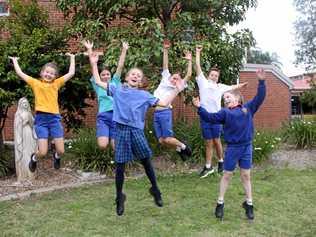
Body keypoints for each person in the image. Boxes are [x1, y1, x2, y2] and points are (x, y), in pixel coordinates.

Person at [88, 49, 185, 216]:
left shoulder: (144, 95)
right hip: (120, 130)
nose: (135, 76)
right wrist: (94, 63)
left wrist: (177, 90)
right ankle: (119, 197)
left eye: (139, 76)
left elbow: (163, 103)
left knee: (146, 161)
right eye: (133, 74)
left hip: (136, 132)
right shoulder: (116, 89)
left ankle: (155, 190)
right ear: (126, 78)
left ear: (140, 82)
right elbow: (97, 81)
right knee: (120, 165)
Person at [192, 69, 266, 220]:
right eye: (224, 98)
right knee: (227, 175)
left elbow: (260, 97)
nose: (225, 99)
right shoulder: (224, 113)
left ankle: (249, 204)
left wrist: (262, 82)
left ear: (238, 98)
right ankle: (220, 203)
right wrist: (199, 107)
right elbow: (210, 118)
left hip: (246, 147)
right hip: (233, 148)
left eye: (228, 96)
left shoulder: (248, 108)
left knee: (246, 175)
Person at [9, 53, 75, 172]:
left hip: (54, 119)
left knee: (61, 151)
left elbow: (71, 73)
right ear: (42, 73)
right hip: (41, 120)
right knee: (43, 152)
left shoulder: (56, 84)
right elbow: (20, 73)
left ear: (55, 76)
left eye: (52, 73)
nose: (49, 75)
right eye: (47, 72)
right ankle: (34, 158)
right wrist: (15, 61)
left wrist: (72, 58)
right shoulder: (36, 83)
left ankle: (56, 157)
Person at [195, 45, 248, 177]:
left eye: (216, 75)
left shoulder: (220, 87)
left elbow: (233, 86)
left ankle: (220, 162)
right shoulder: (202, 82)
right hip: (205, 117)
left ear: (218, 78)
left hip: (217, 117)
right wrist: (197, 52)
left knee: (217, 140)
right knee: (208, 142)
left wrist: (241, 85)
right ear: (208, 75)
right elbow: (197, 67)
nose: (213, 77)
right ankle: (208, 167)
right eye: (212, 75)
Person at [83, 40, 128, 150]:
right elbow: (94, 67)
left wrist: (124, 50)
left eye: (108, 74)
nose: (106, 76)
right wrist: (90, 50)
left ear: (111, 75)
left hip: (116, 116)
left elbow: (120, 66)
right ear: (100, 76)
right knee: (102, 145)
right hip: (103, 116)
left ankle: (118, 165)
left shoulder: (115, 82)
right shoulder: (98, 85)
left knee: (115, 146)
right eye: (103, 74)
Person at [153, 39, 192, 160]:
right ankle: (179, 148)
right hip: (156, 113)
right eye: (173, 77)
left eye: (177, 79)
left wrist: (190, 61)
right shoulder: (165, 79)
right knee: (161, 141)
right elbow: (165, 65)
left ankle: (184, 147)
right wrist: (165, 50)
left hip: (164, 112)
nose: (174, 80)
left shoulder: (178, 87)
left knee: (168, 138)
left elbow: (189, 75)